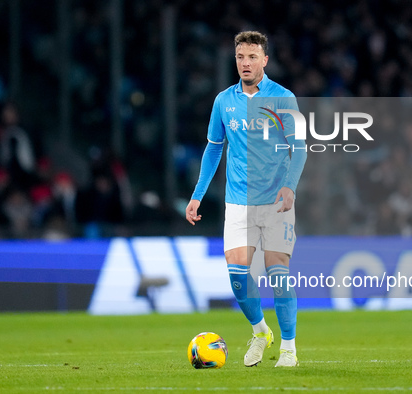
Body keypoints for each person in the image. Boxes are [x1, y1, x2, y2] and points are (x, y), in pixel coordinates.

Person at [185, 31, 306, 367]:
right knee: (238, 276)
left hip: (276, 203)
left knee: (277, 272)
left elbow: (299, 147)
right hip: (238, 203)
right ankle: (260, 331)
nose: (246, 63)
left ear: (265, 60)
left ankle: (288, 348)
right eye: (240, 57)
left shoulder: (284, 98)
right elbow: (213, 149)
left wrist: (290, 186)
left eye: (253, 57)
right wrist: (197, 196)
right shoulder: (224, 101)